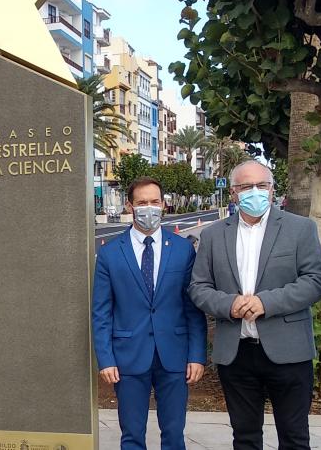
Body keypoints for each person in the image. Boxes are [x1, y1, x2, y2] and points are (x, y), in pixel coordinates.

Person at [189, 161, 321, 450]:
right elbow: (199, 287)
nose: (255, 192)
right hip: (236, 353)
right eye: (245, 187)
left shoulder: (299, 228)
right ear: (233, 193)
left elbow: (316, 280)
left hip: (289, 351)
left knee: (294, 437)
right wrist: (230, 304)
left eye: (261, 186)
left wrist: (266, 302)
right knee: (245, 438)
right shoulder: (213, 235)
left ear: (272, 189)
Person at [92, 176, 208, 450]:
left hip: (175, 355)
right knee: (131, 436)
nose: (149, 208)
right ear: (130, 206)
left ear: (164, 205)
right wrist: (105, 359)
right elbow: (101, 311)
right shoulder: (110, 254)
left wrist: (197, 355)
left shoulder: (182, 249)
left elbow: (193, 307)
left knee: (174, 436)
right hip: (128, 357)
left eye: (154, 202)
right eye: (142, 202)